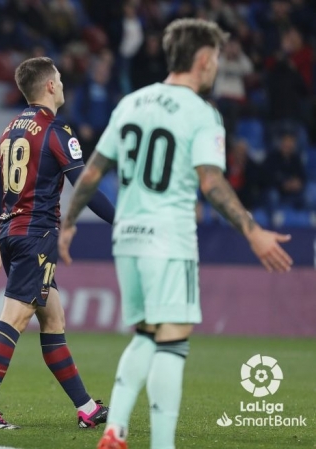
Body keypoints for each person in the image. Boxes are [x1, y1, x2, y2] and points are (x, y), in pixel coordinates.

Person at [57, 18, 293, 449]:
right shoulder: (201, 112)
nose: (217, 65)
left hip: (126, 236)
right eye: (217, 58)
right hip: (169, 237)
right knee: (173, 341)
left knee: (147, 333)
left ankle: (115, 428)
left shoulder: (132, 101)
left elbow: (92, 171)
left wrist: (69, 222)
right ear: (203, 59)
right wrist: (253, 230)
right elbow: (211, 182)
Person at [0, 56, 116, 430]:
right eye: (60, 79)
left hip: (11, 234)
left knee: (53, 319)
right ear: (49, 86)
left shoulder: (10, 131)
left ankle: (86, 409)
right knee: (14, 318)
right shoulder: (56, 132)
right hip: (36, 238)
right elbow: (84, 186)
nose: (63, 84)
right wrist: (122, 221)